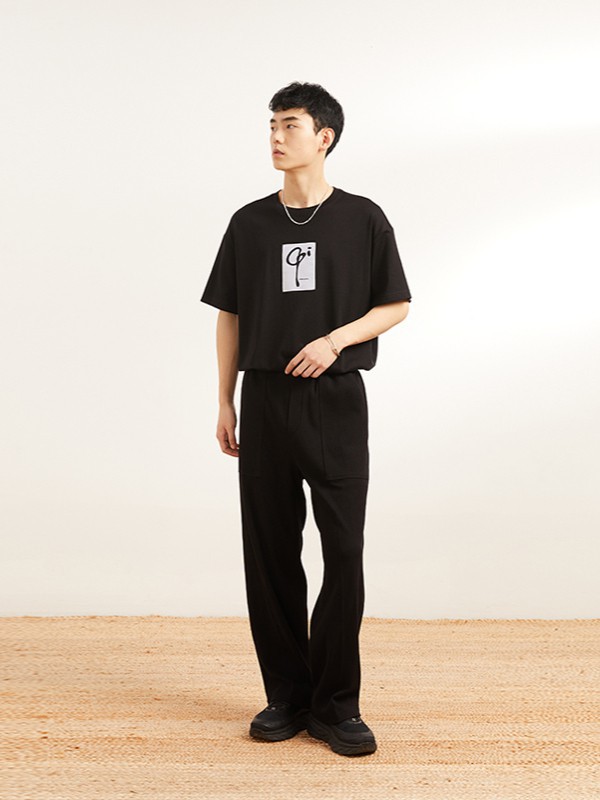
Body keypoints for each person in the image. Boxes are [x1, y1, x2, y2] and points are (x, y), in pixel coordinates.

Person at [200, 81, 412, 757]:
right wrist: (226, 399)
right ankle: (286, 696)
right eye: (271, 124)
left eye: (288, 125)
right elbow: (230, 315)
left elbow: (396, 304)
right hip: (265, 399)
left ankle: (337, 705)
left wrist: (335, 341)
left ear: (324, 137)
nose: (275, 136)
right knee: (270, 553)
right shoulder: (249, 224)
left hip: (336, 401)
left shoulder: (363, 218)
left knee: (343, 552)